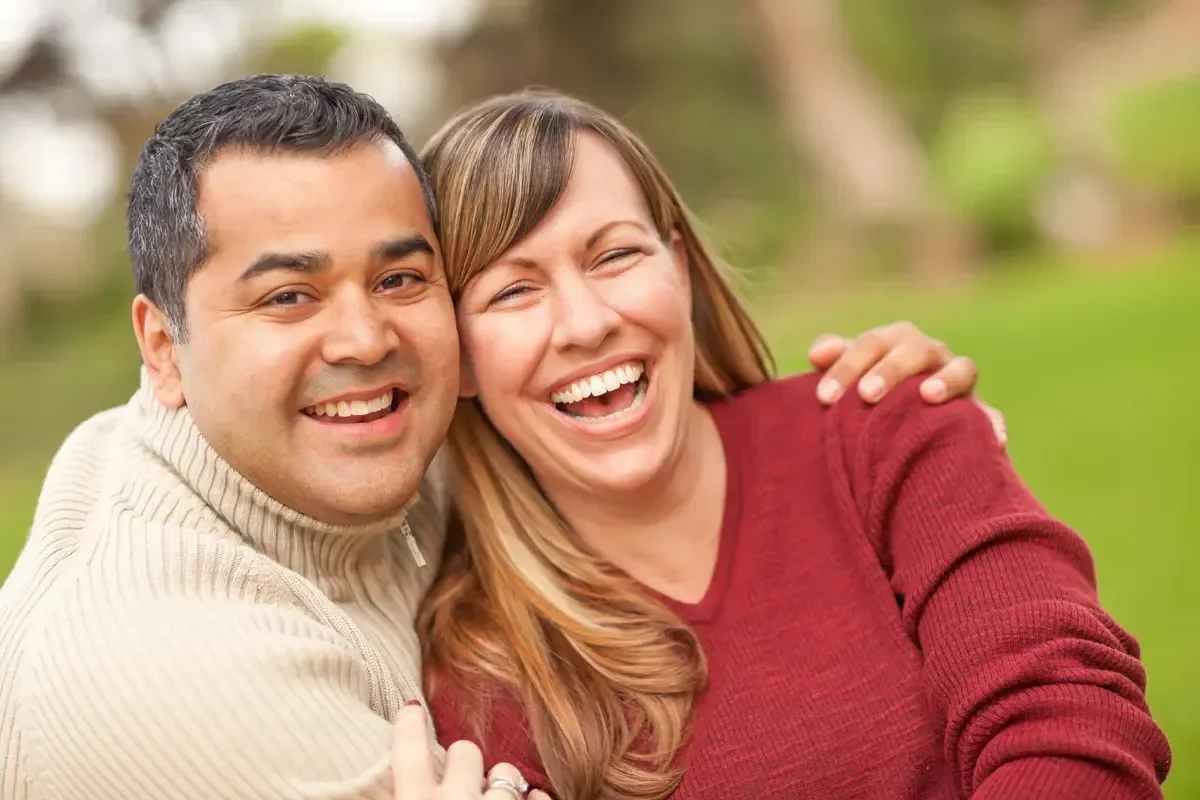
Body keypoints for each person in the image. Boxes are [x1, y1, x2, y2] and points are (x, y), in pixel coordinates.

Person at [0, 75, 993, 800]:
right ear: (162, 347)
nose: (364, 338)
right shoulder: (166, 679)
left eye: (399, 278)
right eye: (289, 295)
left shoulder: (396, 440)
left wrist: (912, 447)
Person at [418, 91, 1173, 800]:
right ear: (459, 359)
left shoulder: (886, 425)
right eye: (513, 291)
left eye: (614, 255)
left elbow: (1071, 722)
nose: (585, 324)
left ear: (678, 268)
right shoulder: (479, 676)